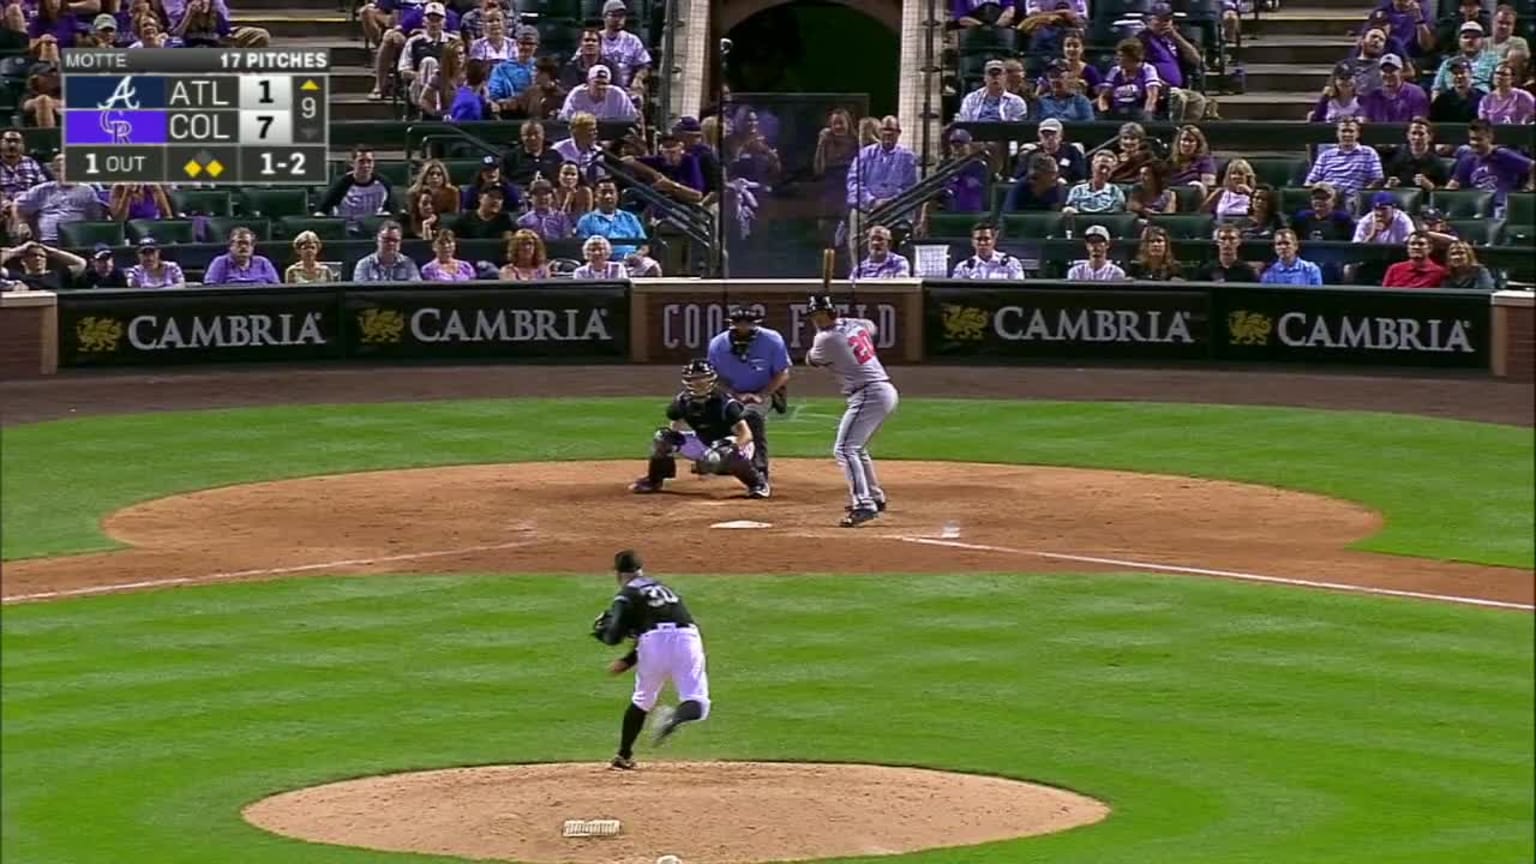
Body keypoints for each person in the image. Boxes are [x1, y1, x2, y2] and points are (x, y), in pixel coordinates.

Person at [592, 549, 711, 770]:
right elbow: (660, 629)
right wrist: (627, 661)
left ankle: (623, 755)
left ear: (618, 574)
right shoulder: (663, 588)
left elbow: (616, 636)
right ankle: (675, 718)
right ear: (640, 570)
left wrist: (605, 633)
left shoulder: (625, 595)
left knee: (643, 699)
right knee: (698, 703)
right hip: (689, 637)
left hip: (653, 642)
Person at [803, 293, 898, 527]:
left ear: (828, 313)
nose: (815, 320)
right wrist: (841, 321)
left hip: (869, 393)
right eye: (814, 316)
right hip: (881, 390)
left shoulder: (825, 340)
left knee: (845, 449)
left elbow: (810, 360)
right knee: (856, 448)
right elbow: (871, 327)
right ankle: (874, 497)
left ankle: (864, 505)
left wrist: (822, 333)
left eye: (818, 315)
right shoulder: (854, 324)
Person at [629, 359, 766, 497]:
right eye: (694, 379)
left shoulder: (725, 403)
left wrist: (731, 449)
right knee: (663, 437)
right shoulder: (682, 402)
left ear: (711, 379)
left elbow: (746, 435)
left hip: (736, 445)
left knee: (724, 451)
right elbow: (675, 428)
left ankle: (757, 484)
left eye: (702, 378)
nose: (698, 383)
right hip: (703, 442)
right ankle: (654, 481)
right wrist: (669, 447)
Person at [706, 305, 791, 491]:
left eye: (748, 325)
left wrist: (761, 395)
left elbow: (783, 373)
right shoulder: (717, 344)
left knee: (752, 416)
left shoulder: (772, 339)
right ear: (731, 325)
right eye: (738, 325)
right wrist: (735, 395)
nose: (743, 329)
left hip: (766, 389)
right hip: (731, 391)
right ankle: (724, 460)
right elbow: (714, 378)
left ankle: (759, 471)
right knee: (718, 417)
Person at [203, 227, 280, 285]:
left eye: (246, 243)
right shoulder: (220, 262)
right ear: (231, 246)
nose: (243, 247)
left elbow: (276, 288)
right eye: (239, 243)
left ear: (252, 246)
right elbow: (210, 288)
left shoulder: (263, 262)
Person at [353, 220, 422, 282]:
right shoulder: (364, 265)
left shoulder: (408, 264)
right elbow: (359, 293)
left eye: (395, 240)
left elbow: (415, 290)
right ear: (377, 240)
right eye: (386, 239)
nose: (391, 244)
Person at [951, 221, 1024, 279]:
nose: (982, 243)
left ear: (994, 240)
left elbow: (1018, 291)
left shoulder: (1011, 263)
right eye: (978, 239)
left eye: (986, 239)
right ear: (973, 242)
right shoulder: (963, 267)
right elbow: (957, 293)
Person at [1381, 230, 1447, 288]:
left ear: (1430, 248)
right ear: (1408, 248)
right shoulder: (1394, 269)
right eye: (1412, 244)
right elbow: (1383, 295)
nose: (1416, 247)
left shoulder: (1439, 273)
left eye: (1421, 244)